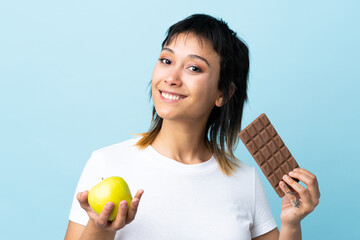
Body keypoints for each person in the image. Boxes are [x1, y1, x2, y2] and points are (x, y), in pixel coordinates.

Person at [64, 14, 320, 240]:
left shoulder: (246, 181)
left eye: (194, 68)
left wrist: (291, 225)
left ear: (223, 93)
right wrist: (103, 230)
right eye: (166, 60)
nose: (171, 78)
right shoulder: (107, 164)